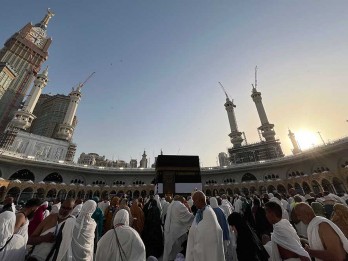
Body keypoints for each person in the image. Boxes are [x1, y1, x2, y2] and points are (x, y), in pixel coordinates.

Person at [186, 191, 224, 261]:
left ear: (199, 200)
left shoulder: (208, 212)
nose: (193, 203)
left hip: (206, 251)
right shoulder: (200, 212)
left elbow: (207, 234)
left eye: (194, 201)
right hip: (200, 250)